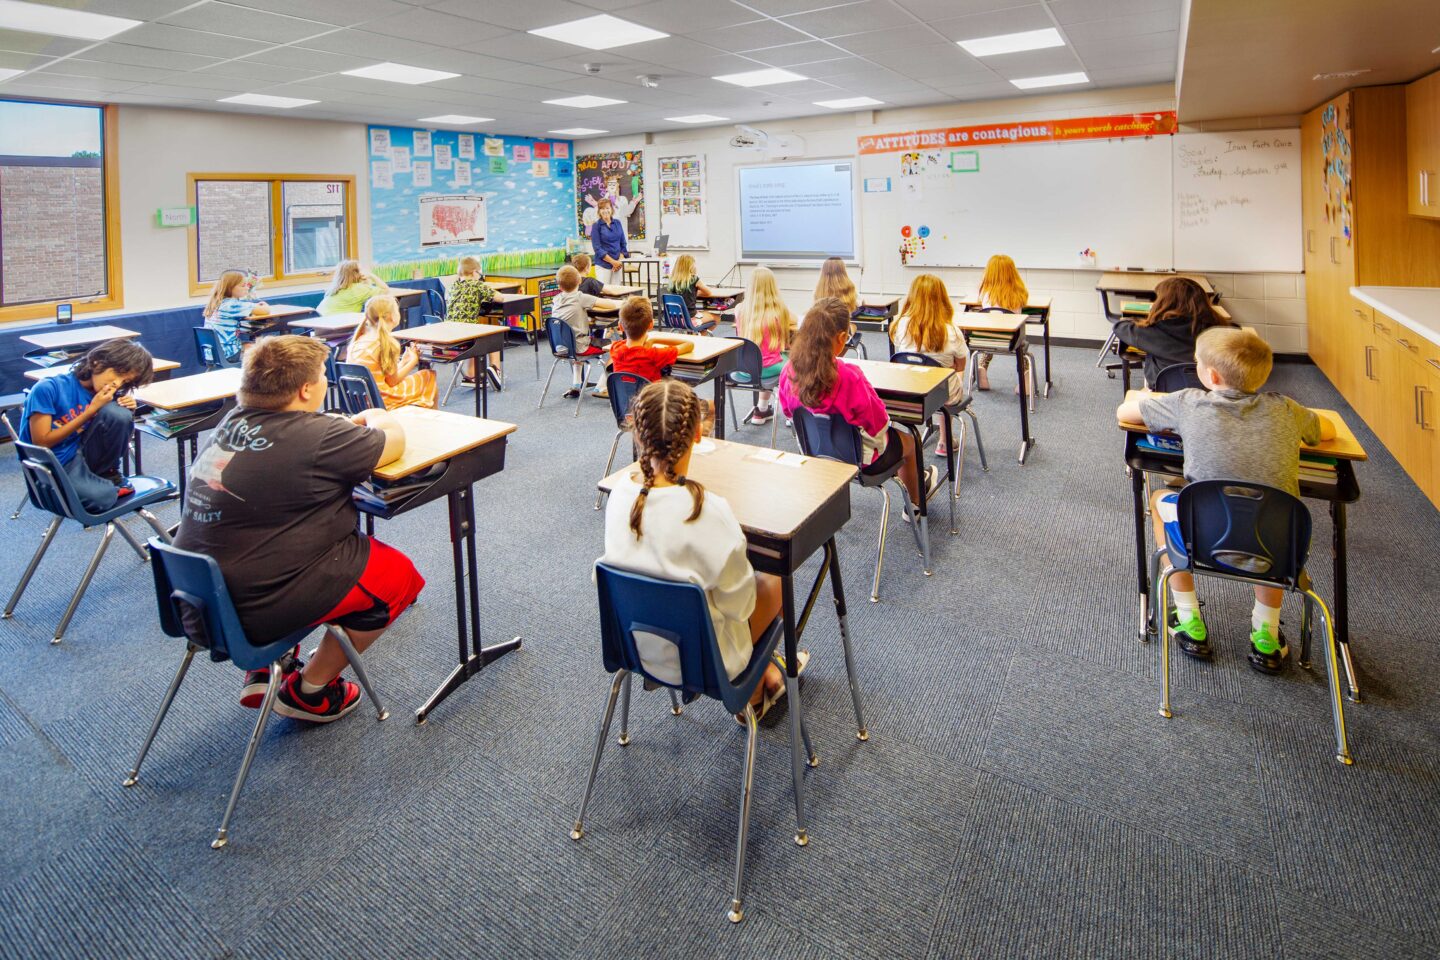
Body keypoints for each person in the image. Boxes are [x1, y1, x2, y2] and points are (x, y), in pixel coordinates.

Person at [175, 335, 425, 722]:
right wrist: (376, 414)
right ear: (306, 389)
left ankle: (266, 666)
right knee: (398, 578)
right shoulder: (318, 436)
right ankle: (310, 690)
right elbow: (394, 441)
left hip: (197, 600)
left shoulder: (231, 423)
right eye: (323, 375)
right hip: (254, 609)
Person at [1116, 327, 1336, 674]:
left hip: (1201, 541)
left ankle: (1188, 617)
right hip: (1280, 548)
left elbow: (1127, 414)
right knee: (1271, 519)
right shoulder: (1286, 409)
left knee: (1160, 497)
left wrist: (1144, 395)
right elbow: (1325, 430)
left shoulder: (1189, 402)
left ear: (1211, 375)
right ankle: (1266, 632)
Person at [597, 378, 799, 719]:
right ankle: (750, 693)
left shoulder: (619, 496)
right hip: (708, 663)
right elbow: (741, 605)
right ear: (697, 434)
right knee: (778, 579)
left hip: (637, 649)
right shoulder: (708, 510)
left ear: (637, 433)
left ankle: (765, 675)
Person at [779, 297, 937, 509]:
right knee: (910, 442)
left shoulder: (788, 370)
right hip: (862, 463)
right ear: (842, 337)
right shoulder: (849, 376)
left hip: (815, 455)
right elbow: (878, 422)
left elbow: (790, 414)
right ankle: (916, 505)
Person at [18, 338, 154, 512]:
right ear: (97, 362)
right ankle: (98, 485)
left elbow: (112, 429)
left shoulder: (105, 395)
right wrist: (91, 411)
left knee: (119, 413)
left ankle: (107, 474)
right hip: (52, 467)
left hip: (81, 456)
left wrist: (127, 407)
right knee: (103, 498)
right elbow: (42, 443)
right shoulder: (49, 388)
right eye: (118, 374)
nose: (117, 384)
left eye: (125, 382)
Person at [890, 273, 967, 455]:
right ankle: (945, 440)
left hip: (910, 393)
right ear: (942, 298)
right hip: (944, 395)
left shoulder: (900, 326)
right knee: (948, 376)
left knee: (935, 375)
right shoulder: (952, 332)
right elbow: (961, 364)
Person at [1115, 276, 1233, 387]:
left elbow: (1120, 326)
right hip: (1210, 392)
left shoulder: (1153, 332)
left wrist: (1147, 318)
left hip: (1163, 394)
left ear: (1164, 303)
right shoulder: (1220, 330)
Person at [346, 294, 437, 410]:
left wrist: (403, 362)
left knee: (423, 378)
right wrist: (413, 361)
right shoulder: (386, 343)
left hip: (361, 400)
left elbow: (383, 376)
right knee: (428, 376)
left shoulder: (359, 340)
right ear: (391, 316)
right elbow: (393, 382)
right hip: (382, 401)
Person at [733, 265, 795, 425]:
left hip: (745, 369)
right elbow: (794, 321)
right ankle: (792, 414)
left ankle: (761, 409)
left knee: (761, 358)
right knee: (796, 364)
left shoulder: (739, 310)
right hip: (770, 369)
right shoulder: (780, 311)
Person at [551, 264, 618, 399]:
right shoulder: (581, 297)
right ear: (580, 281)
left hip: (561, 347)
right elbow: (610, 305)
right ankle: (601, 386)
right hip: (580, 347)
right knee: (616, 347)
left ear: (559, 286)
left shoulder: (556, 299)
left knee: (576, 341)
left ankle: (576, 384)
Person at [972, 254, 1028, 391]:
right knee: (1023, 345)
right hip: (1012, 341)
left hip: (986, 340)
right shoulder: (1019, 293)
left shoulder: (984, 293)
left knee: (992, 335)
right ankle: (1025, 377)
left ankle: (982, 367)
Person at [610, 296, 694, 382]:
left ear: (620, 326)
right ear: (651, 324)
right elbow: (689, 345)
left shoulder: (615, 348)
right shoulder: (654, 355)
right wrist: (654, 339)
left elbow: (631, 348)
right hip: (650, 395)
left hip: (623, 395)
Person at [445, 255, 499, 382]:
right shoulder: (478, 285)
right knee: (494, 336)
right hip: (466, 335)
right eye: (480, 274)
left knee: (476, 335)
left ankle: (470, 375)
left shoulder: (454, 286)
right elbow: (500, 297)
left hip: (449, 332)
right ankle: (496, 372)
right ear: (475, 272)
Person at [203, 270, 268, 361]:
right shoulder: (232, 305)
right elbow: (264, 310)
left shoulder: (215, 303)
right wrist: (264, 304)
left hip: (211, 353)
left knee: (250, 344)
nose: (247, 288)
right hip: (228, 353)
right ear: (230, 288)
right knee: (265, 350)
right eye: (243, 285)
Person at [317, 260, 388, 316]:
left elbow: (367, 289)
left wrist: (365, 281)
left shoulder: (334, 288)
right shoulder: (359, 289)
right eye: (361, 269)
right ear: (356, 273)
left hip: (319, 323)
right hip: (338, 325)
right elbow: (385, 290)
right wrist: (371, 276)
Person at [665, 254, 717, 329]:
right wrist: (696, 293)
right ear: (690, 266)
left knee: (701, 325)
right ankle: (698, 338)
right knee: (716, 317)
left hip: (674, 319)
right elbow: (708, 292)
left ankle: (695, 336)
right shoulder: (694, 279)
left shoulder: (673, 280)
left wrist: (693, 293)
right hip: (689, 319)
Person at [590, 197, 629, 284]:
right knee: (605, 292)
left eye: (607, 208)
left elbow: (623, 243)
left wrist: (619, 261)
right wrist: (613, 262)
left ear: (611, 209)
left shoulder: (617, 223)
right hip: (603, 265)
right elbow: (597, 248)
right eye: (602, 209)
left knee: (616, 292)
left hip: (617, 265)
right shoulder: (596, 226)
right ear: (599, 211)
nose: (605, 211)